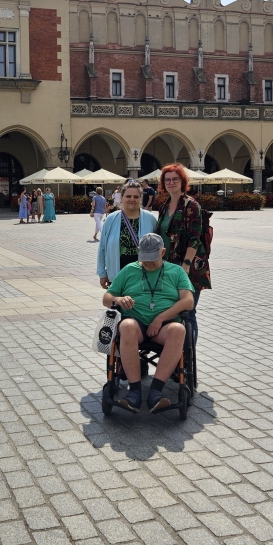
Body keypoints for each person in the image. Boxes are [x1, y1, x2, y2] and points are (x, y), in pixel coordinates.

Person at [103, 233, 194, 413]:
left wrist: (160, 318)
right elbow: (107, 298)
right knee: (126, 326)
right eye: (144, 259)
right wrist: (119, 300)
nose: (148, 263)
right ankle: (135, 391)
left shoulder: (176, 272)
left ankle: (155, 391)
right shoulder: (129, 269)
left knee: (179, 330)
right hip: (135, 322)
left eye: (152, 259)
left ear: (163, 252)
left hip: (165, 325)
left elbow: (188, 301)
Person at [155, 163, 211, 344]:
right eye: (167, 179)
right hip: (168, 267)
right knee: (172, 310)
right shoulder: (164, 206)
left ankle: (187, 359)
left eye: (175, 179)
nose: (171, 182)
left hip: (189, 268)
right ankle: (175, 354)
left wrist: (185, 265)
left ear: (182, 181)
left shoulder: (191, 205)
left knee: (188, 311)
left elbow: (195, 238)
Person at [97, 180, 157, 289]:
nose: (132, 199)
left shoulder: (150, 219)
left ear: (140, 198)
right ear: (121, 197)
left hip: (145, 274)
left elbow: (158, 248)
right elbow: (102, 248)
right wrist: (102, 273)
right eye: (128, 196)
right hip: (118, 271)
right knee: (120, 304)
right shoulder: (111, 219)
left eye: (136, 196)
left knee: (141, 305)